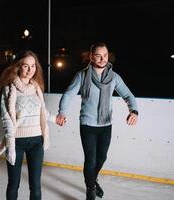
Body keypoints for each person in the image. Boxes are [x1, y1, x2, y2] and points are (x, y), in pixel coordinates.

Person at [56, 42, 139, 200]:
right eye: (98, 55)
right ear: (91, 56)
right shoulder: (82, 75)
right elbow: (68, 94)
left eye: (105, 55)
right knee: (91, 159)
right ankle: (90, 189)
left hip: (106, 124)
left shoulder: (114, 77)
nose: (102, 59)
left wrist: (133, 110)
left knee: (102, 157)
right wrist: (62, 112)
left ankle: (92, 179)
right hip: (87, 124)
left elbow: (128, 95)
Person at [0, 50, 56, 200]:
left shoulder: (36, 87)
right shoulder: (9, 89)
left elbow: (41, 111)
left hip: (37, 141)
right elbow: (7, 120)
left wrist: (55, 118)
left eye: (33, 66)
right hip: (16, 142)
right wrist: (11, 147)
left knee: (35, 185)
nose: (30, 70)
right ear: (18, 67)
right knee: (13, 184)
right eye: (26, 66)